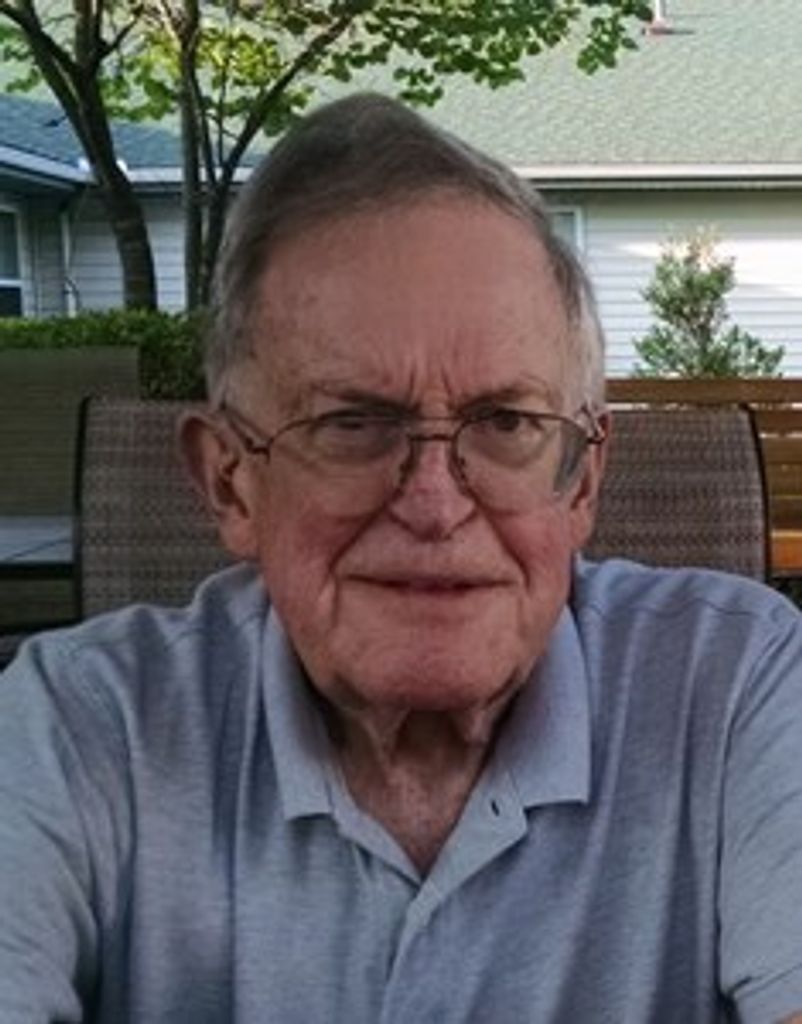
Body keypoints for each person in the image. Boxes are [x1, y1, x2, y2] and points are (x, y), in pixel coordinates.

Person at [1, 92, 801, 1024]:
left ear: (582, 481)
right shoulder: (76, 727)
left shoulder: (735, 685)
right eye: (351, 423)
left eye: (506, 422)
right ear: (229, 482)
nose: (434, 503)